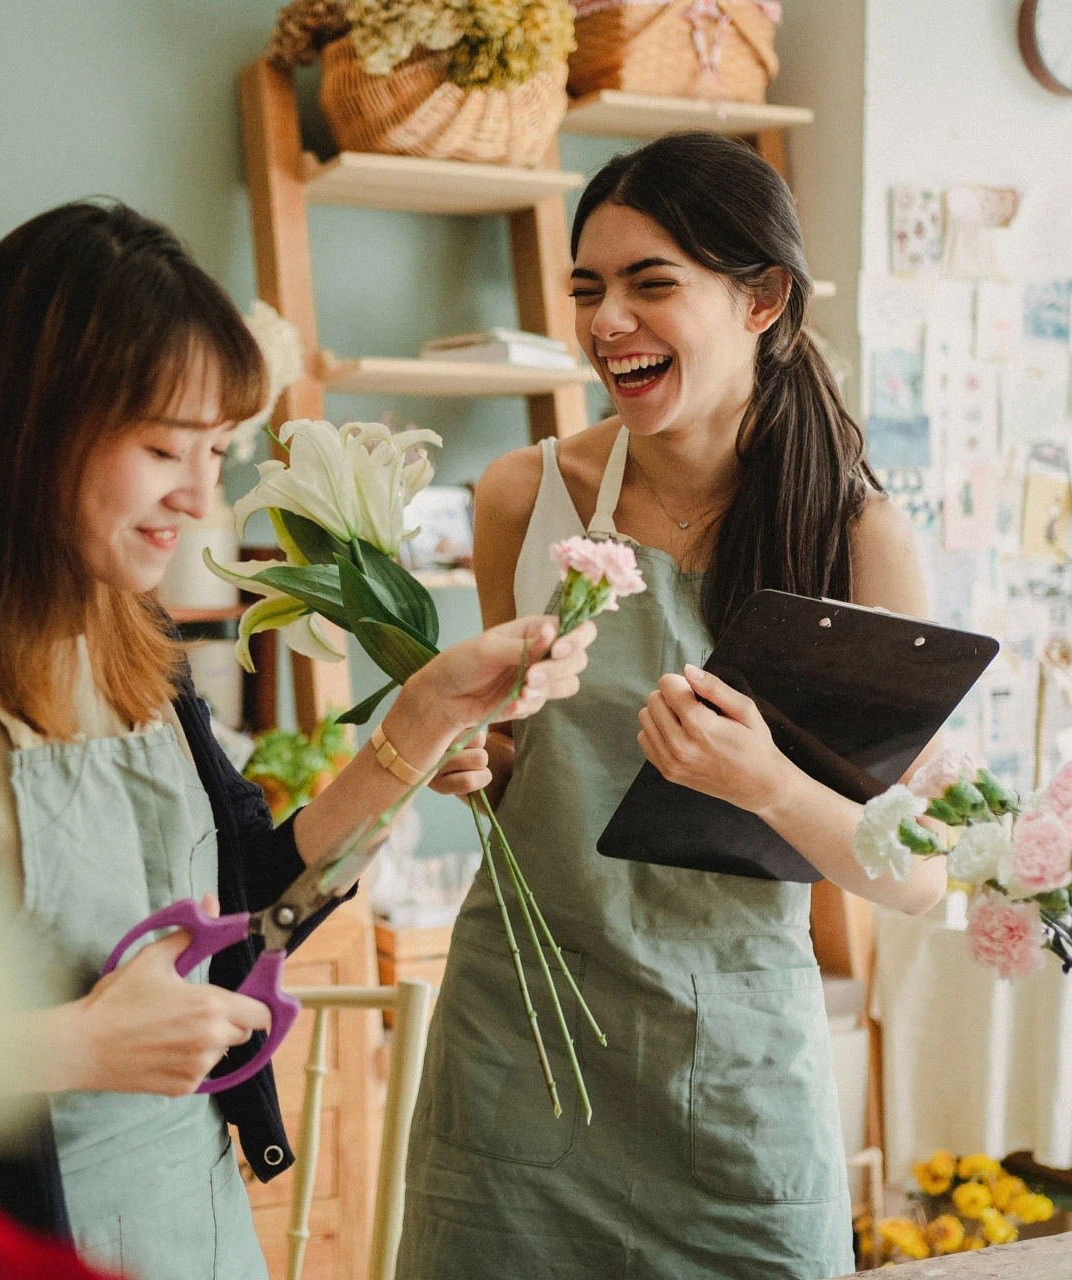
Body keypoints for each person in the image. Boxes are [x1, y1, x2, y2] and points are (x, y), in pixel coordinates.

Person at [0, 200, 595, 1280]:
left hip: (188, 1228)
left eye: (215, 449)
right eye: (163, 447)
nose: (199, 493)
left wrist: (422, 719)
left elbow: (252, 908)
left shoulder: (129, 632)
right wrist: (76, 1042)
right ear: (29, 421)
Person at [397, 132, 949, 1279]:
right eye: (588, 288)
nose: (606, 322)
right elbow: (518, 753)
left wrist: (767, 783)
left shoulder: (855, 539)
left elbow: (920, 874)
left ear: (763, 298)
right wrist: (469, 754)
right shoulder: (524, 495)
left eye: (653, 284)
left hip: (734, 1084)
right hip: (523, 1053)